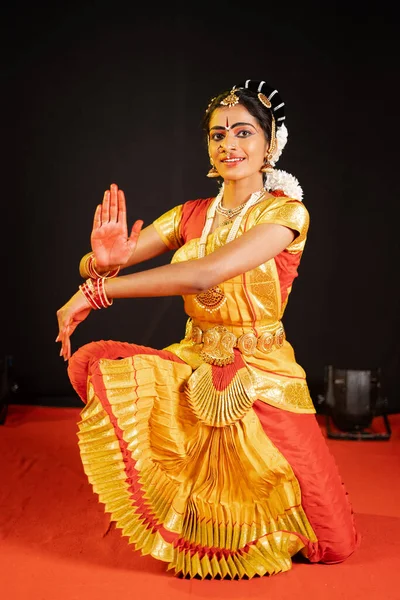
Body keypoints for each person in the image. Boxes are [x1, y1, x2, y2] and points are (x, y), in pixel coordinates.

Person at [56, 79, 359, 579]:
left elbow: (205, 273)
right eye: (218, 135)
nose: (229, 145)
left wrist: (98, 292)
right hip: (197, 357)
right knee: (135, 401)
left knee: (334, 541)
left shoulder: (286, 214)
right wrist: (102, 263)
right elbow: (109, 262)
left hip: (262, 370)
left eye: (243, 133)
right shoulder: (192, 215)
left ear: (269, 145)